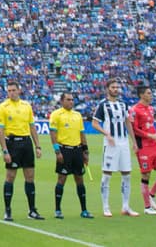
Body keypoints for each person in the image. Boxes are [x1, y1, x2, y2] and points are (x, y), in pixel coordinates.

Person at [0, 80, 43, 221]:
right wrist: (4, 150)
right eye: (9, 90)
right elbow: (0, 130)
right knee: (10, 176)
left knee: (30, 176)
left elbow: (32, 126)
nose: (11, 93)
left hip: (26, 142)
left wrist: (37, 146)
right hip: (12, 143)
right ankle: (8, 210)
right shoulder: (3, 107)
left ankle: (32, 210)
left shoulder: (26, 106)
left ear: (19, 90)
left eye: (13, 90)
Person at [90, 79, 137, 217]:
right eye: (113, 87)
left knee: (127, 174)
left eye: (117, 87)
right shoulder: (103, 105)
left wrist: (133, 141)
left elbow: (128, 122)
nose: (116, 89)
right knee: (107, 174)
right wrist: (107, 134)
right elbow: (94, 123)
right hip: (111, 143)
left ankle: (126, 207)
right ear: (107, 89)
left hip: (124, 143)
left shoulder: (123, 104)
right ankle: (106, 207)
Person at [48, 92, 92, 220]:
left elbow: (82, 134)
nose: (71, 102)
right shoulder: (56, 114)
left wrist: (85, 151)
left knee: (79, 179)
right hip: (64, 150)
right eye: (68, 99)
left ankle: (84, 210)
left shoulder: (77, 115)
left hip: (77, 150)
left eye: (72, 100)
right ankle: (57, 210)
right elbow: (53, 134)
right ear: (62, 101)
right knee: (62, 178)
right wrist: (57, 151)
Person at [130, 85, 156, 215]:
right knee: (146, 174)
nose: (151, 95)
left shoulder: (150, 108)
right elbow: (134, 129)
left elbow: (150, 126)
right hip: (143, 145)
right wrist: (149, 136)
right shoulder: (134, 110)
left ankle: (152, 194)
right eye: (149, 93)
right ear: (141, 95)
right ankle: (147, 207)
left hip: (154, 143)